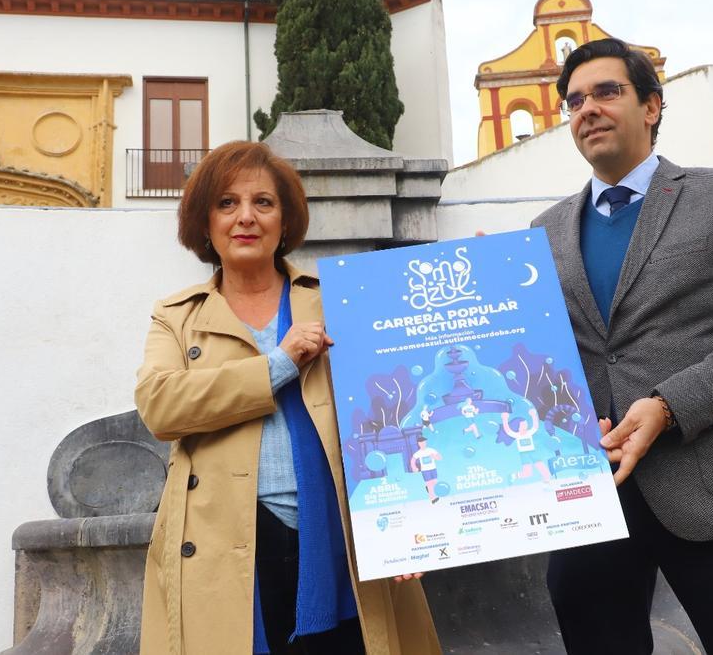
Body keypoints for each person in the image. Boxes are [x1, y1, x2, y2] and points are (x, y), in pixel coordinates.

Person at [531, 39, 713, 655]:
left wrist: (667, 405)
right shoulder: (543, 231)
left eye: (608, 92)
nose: (588, 109)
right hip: (592, 501)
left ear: (653, 105)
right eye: (574, 100)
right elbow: (540, 357)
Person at [135, 141, 441, 655]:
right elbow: (161, 407)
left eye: (263, 203)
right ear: (204, 222)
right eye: (226, 203)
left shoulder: (340, 298)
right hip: (221, 541)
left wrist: (413, 522)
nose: (245, 218)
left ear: (285, 219)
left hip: (342, 534)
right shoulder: (176, 314)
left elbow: (398, 407)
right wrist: (279, 363)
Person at [500, 410, 551, 484]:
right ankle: (512, 476)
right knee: (527, 474)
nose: (526, 426)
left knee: (544, 471)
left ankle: (546, 485)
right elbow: (508, 430)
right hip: (524, 454)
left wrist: (533, 416)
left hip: (533, 452)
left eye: (526, 424)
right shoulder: (516, 435)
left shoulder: (529, 432)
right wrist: (504, 419)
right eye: (523, 425)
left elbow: (535, 426)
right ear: (518, 427)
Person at [408, 435, 444, 504]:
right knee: (429, 484)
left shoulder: (431, 450)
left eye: (424, 442)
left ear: (426, 442)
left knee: (434, 482)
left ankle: (430, 489)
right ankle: (432, 498)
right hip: (425, 470)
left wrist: (434, 457)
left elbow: (440, 457)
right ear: (418, 444)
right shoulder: (418, 453)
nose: (423, 444)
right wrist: (414, 467)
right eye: (421, 443)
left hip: (433, 468)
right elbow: (413, 460)